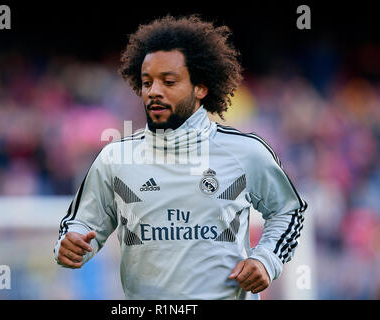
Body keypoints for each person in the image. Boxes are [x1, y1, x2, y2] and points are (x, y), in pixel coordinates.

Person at [54, 14, 308, 300]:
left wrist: (266, 259)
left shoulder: (245, 153)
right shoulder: (115, 159)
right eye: (147, 82)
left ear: (200, 87)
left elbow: (289, 210)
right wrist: (70, 244)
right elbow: (80, 226)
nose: (154, 92)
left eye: (169, 81)